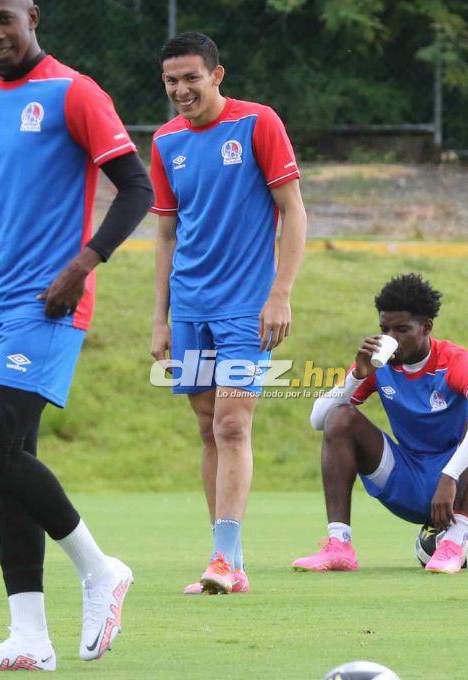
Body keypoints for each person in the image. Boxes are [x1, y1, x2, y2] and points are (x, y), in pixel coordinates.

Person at [0, 0, 153, 669]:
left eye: (5, 18)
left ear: (33, 15)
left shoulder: (75, 92)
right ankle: (28, 637)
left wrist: (83, 266)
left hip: (48, 305)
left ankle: (100, 570)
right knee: (7, 469)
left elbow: (136, 188)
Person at [149, 32, 307, 595]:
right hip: (190, 306)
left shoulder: (258, 123)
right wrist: (160, 318)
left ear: (217, 76)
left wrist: (280, 293)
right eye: (171, 80)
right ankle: (229, 562)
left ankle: (222, 558)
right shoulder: (166, 141)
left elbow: (292, 211)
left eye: (191, 77)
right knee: (205, 426)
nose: (180, 89)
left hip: (246, 307)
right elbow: (166, 233)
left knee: (233, 422)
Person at [291, 274, 468, 575]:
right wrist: (357, 376)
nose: (390, 338)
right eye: (384, 329)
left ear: (426, 328)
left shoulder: (453, 360)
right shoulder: (377, 364)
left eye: (402, 329)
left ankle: (456, 540)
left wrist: (449, 476)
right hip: (409, 482)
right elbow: (318, 419)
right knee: (339, 417)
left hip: (461, 487)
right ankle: (339, 545)